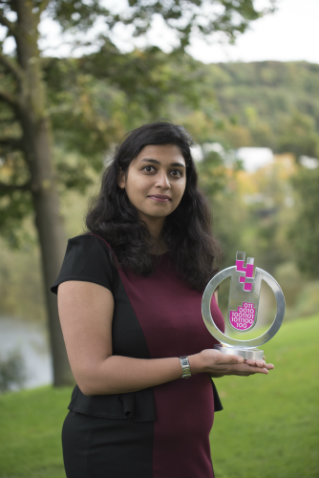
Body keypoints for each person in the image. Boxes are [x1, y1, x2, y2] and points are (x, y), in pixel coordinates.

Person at [51, 121, 274, 478]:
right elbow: (92, 374)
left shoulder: (193, 257)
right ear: (122, 177)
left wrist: (236, 351)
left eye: (176, 172)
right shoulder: (91, 254)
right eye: (149, 168)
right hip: (117, 449)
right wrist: (193, 365)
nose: (163, 182)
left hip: (190, 449)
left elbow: (209, 338)